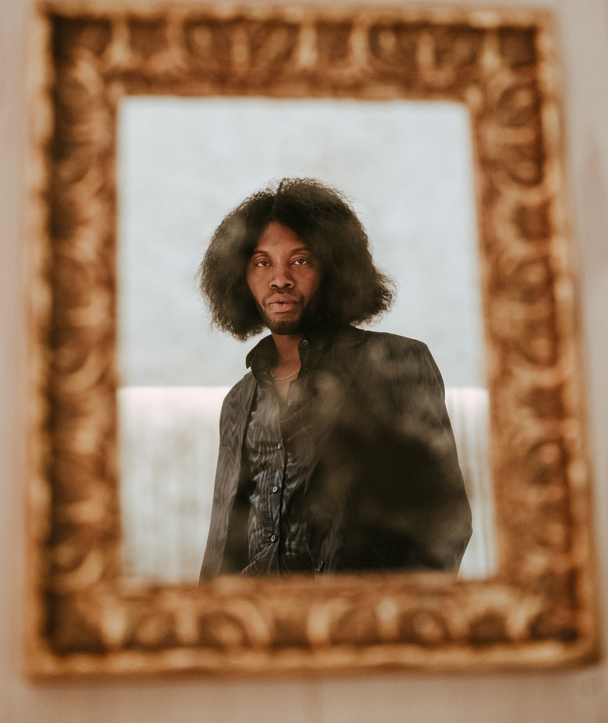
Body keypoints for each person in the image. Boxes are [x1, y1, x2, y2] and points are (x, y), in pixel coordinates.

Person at [199, 178, 471, 578]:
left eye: (300, 260)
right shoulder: (239, 400)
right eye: (262, 262)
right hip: (255, 614)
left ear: (334, 268)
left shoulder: (394, 361)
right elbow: (223, 543)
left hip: (355, 612)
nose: (279, 279)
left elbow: (444, 523)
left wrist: (385, 612)